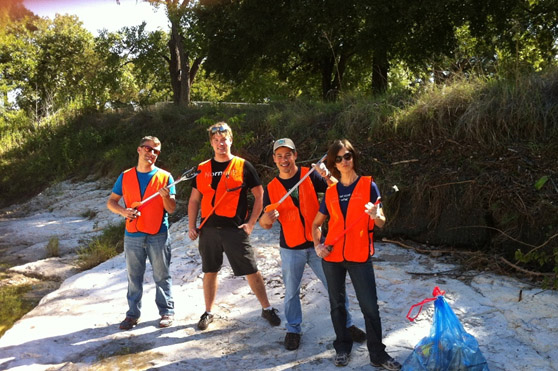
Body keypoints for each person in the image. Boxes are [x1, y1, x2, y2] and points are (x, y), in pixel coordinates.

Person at [259, 138, 366, 351]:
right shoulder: (271, 187)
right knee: (291, 292)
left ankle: (347, 325)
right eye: (279, 156)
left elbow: (339, 191)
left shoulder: (310, 174)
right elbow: (263, 223)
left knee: (335, 288)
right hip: (290, 248)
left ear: (295, 155)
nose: (284, 160)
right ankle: (293, 330)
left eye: (288, 155)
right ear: (274, 159)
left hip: (319, 244)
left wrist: (326, 175)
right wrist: (268, 218)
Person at [311, 139, 402, 370]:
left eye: (347, 156)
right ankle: (342, 348)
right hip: (332, 257)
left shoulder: (369, 186)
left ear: (353, 157)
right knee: (337, 305)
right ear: (333, 163)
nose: (344, 161)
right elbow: (316, 224)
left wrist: (374, 214)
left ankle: (377, 354)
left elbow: (381, 222)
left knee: (370, 307)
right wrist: (317, 246)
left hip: (359, 256)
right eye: (338, 158)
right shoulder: (331, 192)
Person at [188, 122, 280, 331]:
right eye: (216, 140)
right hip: (208, 229)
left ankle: (266, 308)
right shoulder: (202, 168)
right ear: (212, 143)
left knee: (251, 270)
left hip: (235, 229)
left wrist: (251, 223)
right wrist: (191, 225)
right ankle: (208, 311)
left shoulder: (243, 165)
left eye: (224, 139)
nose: (221, 144)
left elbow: (259, 195)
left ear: (231, 140)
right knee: (209, 270)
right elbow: (194, 199)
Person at [107, 136, 176, 330]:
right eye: (148, 148)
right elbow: (111, 201)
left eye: (156, 151)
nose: (151, 153)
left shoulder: (166, 177)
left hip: (158, 234)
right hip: (133, 235)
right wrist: (123, 211)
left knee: (162, 275)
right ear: (139, 149)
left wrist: (166, 197)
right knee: (133, 276)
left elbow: (171, 209)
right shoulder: (125, 176)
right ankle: (132, 315)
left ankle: (166, 312)